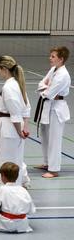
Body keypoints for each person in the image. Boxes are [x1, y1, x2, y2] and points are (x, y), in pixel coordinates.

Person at [0, 55, 31, 187]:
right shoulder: (17, 84)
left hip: (10, 128)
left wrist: (19, 131)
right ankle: (15, 188)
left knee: (5, 162)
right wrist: (25, 127)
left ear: (4, 69)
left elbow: (15, 113)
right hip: (15, 127)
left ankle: (6, 191)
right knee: (16, 160)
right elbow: (26, 107)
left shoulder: (9, 87)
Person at [35, 46, 70, 178]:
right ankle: (47, 163)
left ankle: (54, 169)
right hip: (48, 106)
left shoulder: (63, 75)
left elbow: (49, 93)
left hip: (57, 108)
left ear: (61, 59)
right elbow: (40, 84)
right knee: (45, 136)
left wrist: (46, 89)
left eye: (53, 56)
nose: (50, 58)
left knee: (54, 140)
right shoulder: (53, 69)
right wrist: (46, 88)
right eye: (50, 56)